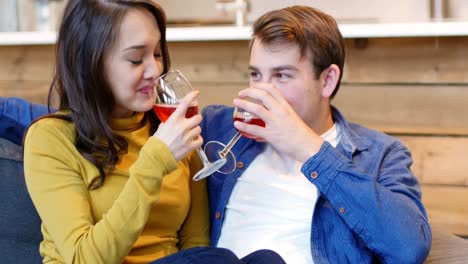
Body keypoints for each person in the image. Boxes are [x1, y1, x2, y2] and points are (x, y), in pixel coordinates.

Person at [22, 1, 286, 264]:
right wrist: (154, 161)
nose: (155, 70)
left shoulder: (172, 132)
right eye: (136, 59)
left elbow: (195, 244)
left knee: (265, 260)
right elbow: (84, 259)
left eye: (157, 54)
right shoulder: (51, 139)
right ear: (90, 63)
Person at [201, 5, 432, 263]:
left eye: (281, 75)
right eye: (256, 74)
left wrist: (307, 146)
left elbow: (408, 247)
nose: (261, 92)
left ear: (327, 80)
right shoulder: (219, 128)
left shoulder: (380, 155)